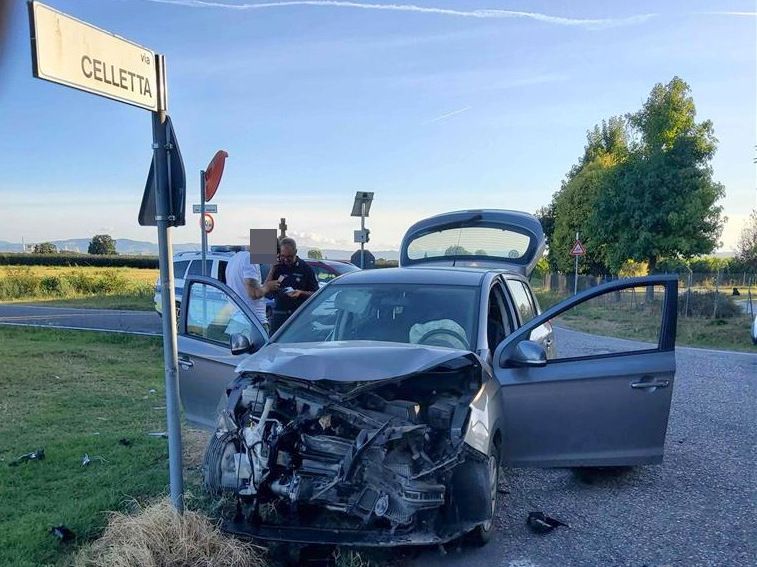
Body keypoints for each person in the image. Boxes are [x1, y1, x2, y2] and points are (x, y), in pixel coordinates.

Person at [265, 237, 319, 333]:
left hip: (298, 317)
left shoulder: (305, 268)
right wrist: (272, 269)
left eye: (289, 257)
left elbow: (316, 293)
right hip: (279, 316)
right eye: (283, 256)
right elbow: (265, 290)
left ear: (296, 252)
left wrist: (301, 293)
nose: (285, 259)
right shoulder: (277, 267)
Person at [226, 249, 280, 332]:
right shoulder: (249, 259)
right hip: (253, 322)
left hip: (237, 318)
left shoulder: (235, 258)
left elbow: (257, 288)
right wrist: (268, 287)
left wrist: (272, 270)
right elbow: (254, 293)